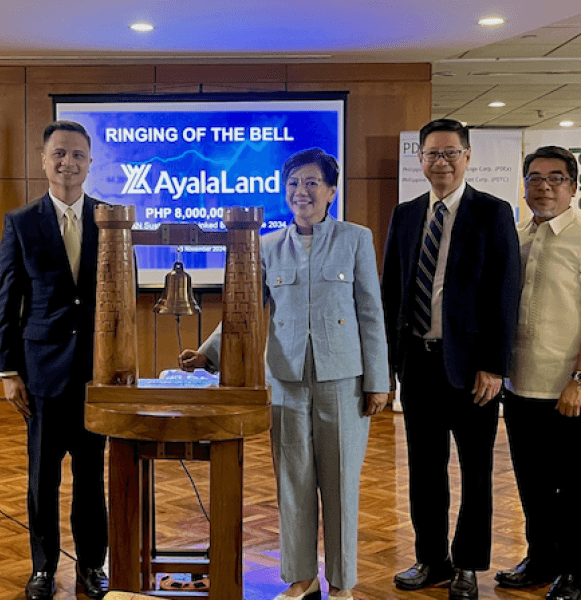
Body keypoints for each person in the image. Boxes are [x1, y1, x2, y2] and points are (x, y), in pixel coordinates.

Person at [181, 147, 389, 600]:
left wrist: (378, 380)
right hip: (286, 381)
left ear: (331, 191)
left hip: (344, 382)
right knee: (292, 482)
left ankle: (341, 582)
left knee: (339, 484)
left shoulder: (356, 239)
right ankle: (301, 577)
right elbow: (245, 310)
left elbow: (371, 314)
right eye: (294, 183)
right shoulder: (268, 246)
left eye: (313, 183)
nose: (303, 192)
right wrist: (207, 354)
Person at [381, 119, 520, 600]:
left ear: (467, 157)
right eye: (431, 153)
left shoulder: (493, 212)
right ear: (419, 159)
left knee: (476, 470)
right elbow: (391, 293)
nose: (440, 161)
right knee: (424, 468)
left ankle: (468, 565)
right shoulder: (404, 214)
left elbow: (506, 293)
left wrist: (496, 365)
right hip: (417, 364)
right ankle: (432, 559)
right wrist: (388, 365)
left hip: (473, 370)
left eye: (450, 153)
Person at [0, 120, 109, 600]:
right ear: (44, 160)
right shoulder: (21, 222)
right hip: (40, 374)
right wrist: (6, 370)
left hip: (95, 372)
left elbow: (119, 296)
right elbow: (6, 298)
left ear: (89, 162)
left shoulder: (111, 217)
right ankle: (43, 569)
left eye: (78, 155)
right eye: (59, 154)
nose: (68, 163)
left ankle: (91, 567)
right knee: (42, 479)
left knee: (90, 478)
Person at [494, 146, 581, 600]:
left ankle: (575, 572)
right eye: (534, 178)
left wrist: (580, 380)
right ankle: (540, 559)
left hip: (568, 389)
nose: (543, 186)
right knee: (533, 485)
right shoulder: (517, 233)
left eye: (555, 177)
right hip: (520, 384)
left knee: (573, 486)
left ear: (572, 185)